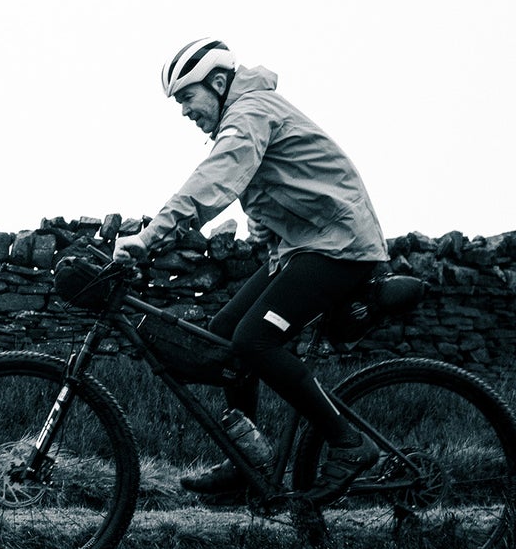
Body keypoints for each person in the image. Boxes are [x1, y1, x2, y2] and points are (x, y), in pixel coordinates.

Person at [116, 39, 389, 503]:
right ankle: (248, 459)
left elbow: (216, 177)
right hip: (306, 247)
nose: (183, 110)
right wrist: (264, 231)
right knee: (222, 337)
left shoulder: (250, 112)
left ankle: (349, 444)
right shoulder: (246, 116)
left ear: (218, 83)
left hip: (341, 246)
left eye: (187, 96)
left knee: (253, 340)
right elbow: (265, 185)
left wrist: (150, 235)